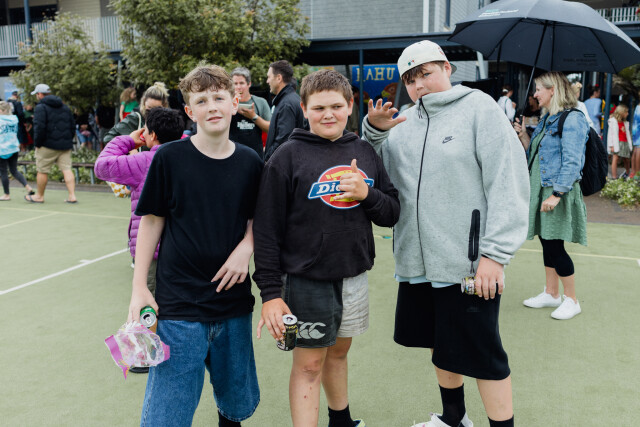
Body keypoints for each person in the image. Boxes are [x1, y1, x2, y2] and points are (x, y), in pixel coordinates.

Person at [362, 40, 529, 427]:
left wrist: (494, 255)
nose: (419, 84)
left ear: (447, 68)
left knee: (484, 355)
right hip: (417, 261)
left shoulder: (479, 109)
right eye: (410, 79)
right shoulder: (403, 122)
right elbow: (379, 176)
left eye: (426, 73)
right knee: (439, 345)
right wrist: (374, 132)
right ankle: (453, 418)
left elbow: (508, 183)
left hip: (468, 264)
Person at [254, 69, 400, 427]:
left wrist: (366, 194)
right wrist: (270, 294)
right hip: (306, 280)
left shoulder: (363, 150)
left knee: (338, 353)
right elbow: (266, 231)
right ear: (304, 109)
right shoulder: (286, 157)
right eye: (319, 108)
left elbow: (391, 213)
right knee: (309, 365)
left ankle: (341, 420)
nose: (328, 114)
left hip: (353, 275)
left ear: (350, 105)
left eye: (336, 106)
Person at [128, 65, 262, 427]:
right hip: (179, 308)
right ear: (190, 111)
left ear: (235, 103)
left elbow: (258, 217)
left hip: (233, 303)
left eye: (219, 98)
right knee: (166, 416)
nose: (212, 106)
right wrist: (139, 287)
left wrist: (246, 246)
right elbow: (151, 221)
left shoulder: (250, 161)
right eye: (201, 101)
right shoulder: (169, 158)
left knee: (235, 406)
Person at [95, 108, 185, 361]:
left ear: (151, 135)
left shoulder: (145, 161)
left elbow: (102, 166)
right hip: (183, 247)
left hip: (151, 248)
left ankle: (144, 355)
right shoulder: (188, 156)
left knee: (147, 300)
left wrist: (128, 140)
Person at [514, 71, 589, 321]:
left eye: (539, 89)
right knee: (546, 241)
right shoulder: (548, 118)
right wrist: (523, 135)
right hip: (541, 187)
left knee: (555, 245)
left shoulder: (573, 118)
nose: (535, 94)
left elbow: (573, 160)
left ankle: (572, 299)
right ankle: (551, 293)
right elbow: (536, 155)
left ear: (553, 90)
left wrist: (557, 194)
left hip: (556, 189)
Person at [26, 84, 77, 204]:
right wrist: (67, 140)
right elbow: (72, 126)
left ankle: (39, 196)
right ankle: (72, 196)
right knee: (67, 169)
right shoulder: (64, 107)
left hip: (46, 145)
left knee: (42, 170)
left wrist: (37, 143)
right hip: (65, 145)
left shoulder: (40, 107)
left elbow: (39, 127)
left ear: (40, 94)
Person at [264, 60, 305, 161]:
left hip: (284, 164)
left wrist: (268, 158)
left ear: (279, 78)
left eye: (269, 77)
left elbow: (282, 141)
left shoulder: (286, 104)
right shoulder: (290, 99)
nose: (267, 81)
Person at [104, 82, 169, 145]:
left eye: (157, 109)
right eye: (149, 107)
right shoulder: (135, 118)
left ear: (164, 106)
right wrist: (129, 148)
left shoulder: (168, 121)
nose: (152, 112)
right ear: (144, 103)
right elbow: (108, 138)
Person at [229, 67, 271, 159]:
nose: (238, 87)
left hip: (255, 155)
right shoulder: (227, 103)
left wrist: (253, 116)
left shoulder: (260, 102)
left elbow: (270, 128)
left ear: (249, 84)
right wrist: (233, 105)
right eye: (235, 84)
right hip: (232, 155)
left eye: (241, 83)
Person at [0, 101, 35, 200]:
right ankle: (27, 186)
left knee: (3, 172)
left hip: (2, 149)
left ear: (2, 110)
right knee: (14, 170)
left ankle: (6, 194)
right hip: (14, 147)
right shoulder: (14, 119)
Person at [606, 104, 632, 179]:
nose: (628, 114)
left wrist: (629, 144)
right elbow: (610, 135)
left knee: (626, 159)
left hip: (625, 142)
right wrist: (611, 145)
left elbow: (627, 134)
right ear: (621, 112)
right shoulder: (613, 121)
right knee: (615, 158)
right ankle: (614, 177)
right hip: (617, 143)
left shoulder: (625, 123)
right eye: (626, 112)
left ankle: (627, 172)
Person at [631, 100, 640, 178]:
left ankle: (633, 172)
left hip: (635, 131)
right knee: (638, 150)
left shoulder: (637, 106)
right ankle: (637, 173)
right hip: (638, 131)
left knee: (635, 150)